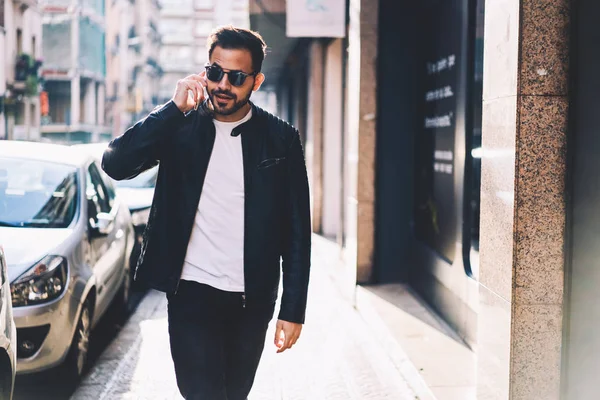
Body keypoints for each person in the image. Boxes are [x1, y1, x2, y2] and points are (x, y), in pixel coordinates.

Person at [101, 26, 311, 400]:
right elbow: (115, 164)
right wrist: (171, 109)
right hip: (191, 293)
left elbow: (297, 230)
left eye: (236, 77)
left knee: (234, 393)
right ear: (204, 72)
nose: (223, 85)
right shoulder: (180, 126)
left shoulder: (280, 138)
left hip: (253, 298)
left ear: (256, 81)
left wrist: (293, 309)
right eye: (215, 72)